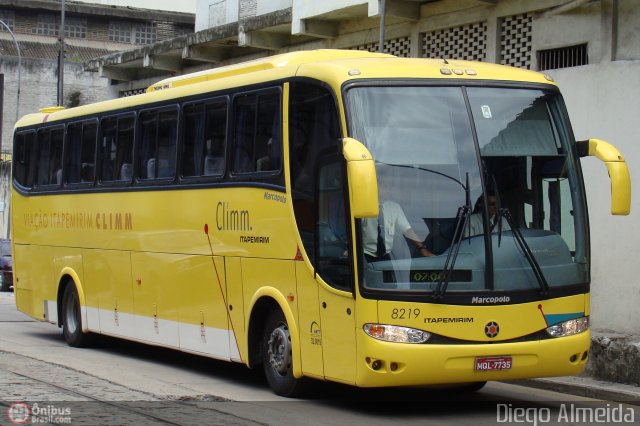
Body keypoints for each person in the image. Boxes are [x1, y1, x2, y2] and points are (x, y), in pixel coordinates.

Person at [363, 177, 433, 261]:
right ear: (375, 186)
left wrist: (422, 248)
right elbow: (354, 229)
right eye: (385, 187)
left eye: (390, 187)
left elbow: (407, 230)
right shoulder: (364, 206)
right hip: (366, 255)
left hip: (387, 256)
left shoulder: (394, 207)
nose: (388, 190)